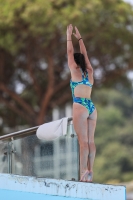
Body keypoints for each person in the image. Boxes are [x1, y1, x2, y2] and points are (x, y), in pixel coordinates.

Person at [66, 24, 97, 182]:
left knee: (83, 142)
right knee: (91, 141)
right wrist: (80, 38)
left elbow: (70, 52)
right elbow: (84, 55)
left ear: (75, 62)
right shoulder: (89, 71)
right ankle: (91, 170)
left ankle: (83, 172)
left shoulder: (74, 70)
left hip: (80, 105)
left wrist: (68, 36)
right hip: (91, 107)